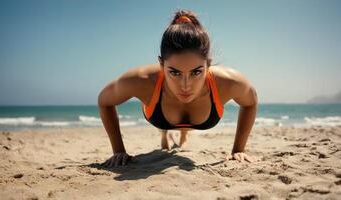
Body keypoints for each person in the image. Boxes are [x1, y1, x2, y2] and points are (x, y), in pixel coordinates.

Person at [98, 10, 258, 167]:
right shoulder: (142, 81)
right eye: (175, 72)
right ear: (161, 65)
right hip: (158, 111)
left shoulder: (228, 82)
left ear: (208, 65)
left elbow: (250, 102)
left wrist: (239, 149)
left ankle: (182, 134)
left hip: (179, 108)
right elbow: (104, 101)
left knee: (183, 105)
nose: (185, 85)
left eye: (196, 72)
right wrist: (118, 150)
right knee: (169, 119)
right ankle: (164, 132)